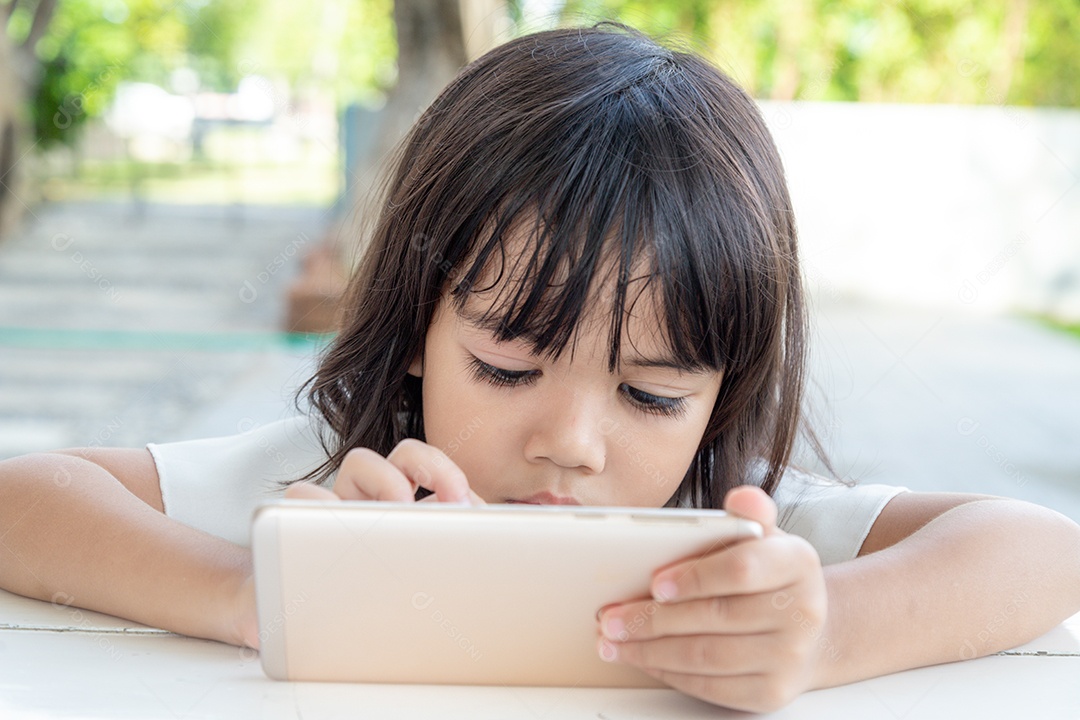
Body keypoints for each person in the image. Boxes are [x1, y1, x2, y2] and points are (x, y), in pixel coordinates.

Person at [2, 23, 1078, 714]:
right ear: (416, 327)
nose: (570, 441)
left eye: (653, 395)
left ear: (720, 403)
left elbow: (1045, 552)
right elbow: (21, 500)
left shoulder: (735, 544)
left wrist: (824, 630)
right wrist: (261, 592)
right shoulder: (336, 499)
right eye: (509, 367)